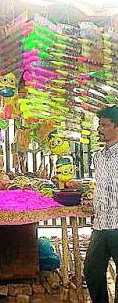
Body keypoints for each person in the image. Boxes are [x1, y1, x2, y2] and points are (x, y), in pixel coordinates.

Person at [83, 105, 118, 303]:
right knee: (92, 269)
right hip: (101, 223)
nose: (100, 129)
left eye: (105, 125)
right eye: (99, 125)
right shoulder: (98, 157)